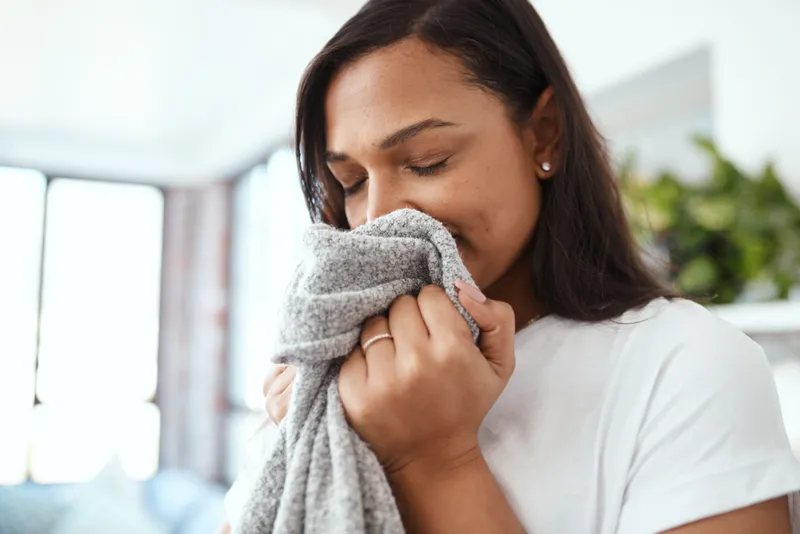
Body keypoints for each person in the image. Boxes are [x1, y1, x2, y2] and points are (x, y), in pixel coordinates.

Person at [222, 0, 800, 532]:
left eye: (427, 161)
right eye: (351, 182)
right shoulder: (323, 381)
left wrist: (434, 461)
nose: (377, 219)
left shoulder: (684, 365)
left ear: (543, 135)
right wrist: (303, 439)